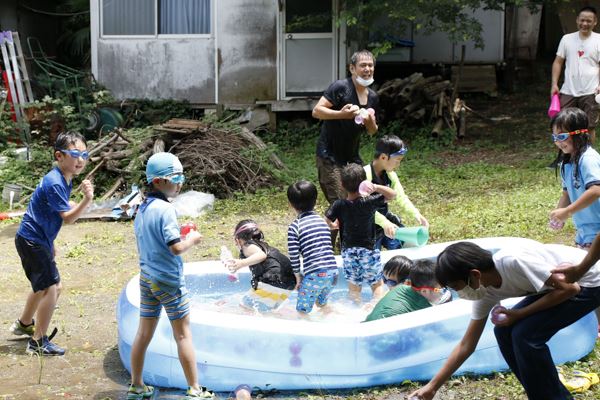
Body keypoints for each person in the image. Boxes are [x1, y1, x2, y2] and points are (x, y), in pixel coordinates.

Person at [409, 241, 600, 400]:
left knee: (525, 335)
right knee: (503, 331)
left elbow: (570, 289)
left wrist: (520, 314)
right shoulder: (484, 291)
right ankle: (543, 393)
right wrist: (433, 386)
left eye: (456, 286)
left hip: (591, 281)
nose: (458, 293)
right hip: (558, 287)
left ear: (475, 275)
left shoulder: (514, 262)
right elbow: (467, 344)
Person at [129, 152, 214, 399]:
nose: (180, 182)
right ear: (158, 181)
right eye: (175, 177)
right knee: (183, 334)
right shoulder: (166, 210)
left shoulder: (143, 208)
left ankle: (137, 385)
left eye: (181, 176)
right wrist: (192, 239)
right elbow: (175, 247)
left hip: (147, 278)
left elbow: (155, 239)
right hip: (168, 281)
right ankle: (196, 390)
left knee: (143, 334)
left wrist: (179, 233)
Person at [10, 131, 93, 356]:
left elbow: (49, 211)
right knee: (53, 288)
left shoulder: (62, 178)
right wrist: (86, 200)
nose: (80, 159)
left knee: (43, 286)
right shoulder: (55, 181)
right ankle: (38, 341)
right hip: (32, 241)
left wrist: (50, 241)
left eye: (84, 154)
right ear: (59, 156)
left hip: (35, 239)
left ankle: (25, 323)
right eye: (74, 154)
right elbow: (68, 217)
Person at [313, 49, 379, 244]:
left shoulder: (373, 97)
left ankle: (350, 243)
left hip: (352, 157)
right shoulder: (341, 88)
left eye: (370, 65)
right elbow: (317, 111)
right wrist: (342, 114)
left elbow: (372, 131)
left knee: (358, 198)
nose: (367, 69)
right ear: (352, 68)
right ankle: (329, 246)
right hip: (329, 155)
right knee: (340, 202)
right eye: (362, 65)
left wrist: (368, 120)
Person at [325, 163, 395, 303]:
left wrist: (333, 225)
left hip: (349, 252)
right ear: (364, 182)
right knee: (377, 285)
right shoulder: (369, 202)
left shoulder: (339, 205)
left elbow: (327, 218)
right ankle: (374, 307)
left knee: (354, 288)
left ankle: (356, 309)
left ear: (342, 185)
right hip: (368, 251)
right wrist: (375, 187)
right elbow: (393, 195)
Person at [363, 135, 429, 250]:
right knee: (372, 260)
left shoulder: (390, 175)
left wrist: (416, 214)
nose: (398, 164)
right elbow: (363, 207)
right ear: (383, 157)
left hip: (385, 220)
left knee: (405, 246)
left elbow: (401, 197)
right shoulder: (364, 174)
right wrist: (384, 223)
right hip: (366, 225)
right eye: (397, 160)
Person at [549, 108, 600, 248]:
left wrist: (567, 211)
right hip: (584, 234)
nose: (558, 142)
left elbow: (596, 190)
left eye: (562, 136)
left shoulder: (588, 159)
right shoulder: (567, 163)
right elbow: (567, 193)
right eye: (554, 137)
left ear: (579, 133)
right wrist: (559, 214)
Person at [287, 180, 339, 315]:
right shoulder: (323, 222)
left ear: (291, 205)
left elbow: (294, 257)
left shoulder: (295, 227)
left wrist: (297, 277)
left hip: (315, 275)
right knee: (322, 305)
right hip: (333, 273)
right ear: (315, 201)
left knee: (302, 311)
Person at [551, 6, 600, 143]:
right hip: (568, 90)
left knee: (589, 126)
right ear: (577, 20)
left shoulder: (598, 40)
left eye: (589, 21)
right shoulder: (566, 39)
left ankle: (587, 156)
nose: (585, 23)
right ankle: (564, 157)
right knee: (563, 125)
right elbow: (558, 62)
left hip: (591, 91)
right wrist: (554, 84)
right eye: (582, 20)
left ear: (595, 22)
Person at [226, 220, 296, 312]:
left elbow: (261, 255)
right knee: (267, 311)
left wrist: (241, 263)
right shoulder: (263, 246)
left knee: (246, 306)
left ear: (237, 240)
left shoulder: (247, 246)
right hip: (289, 283)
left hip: (273, 280)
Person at [365, 259, 445, 322]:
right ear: (424, 291)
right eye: (440, 290)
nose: (442, 294)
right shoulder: (424, 307)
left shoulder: (400, 288)